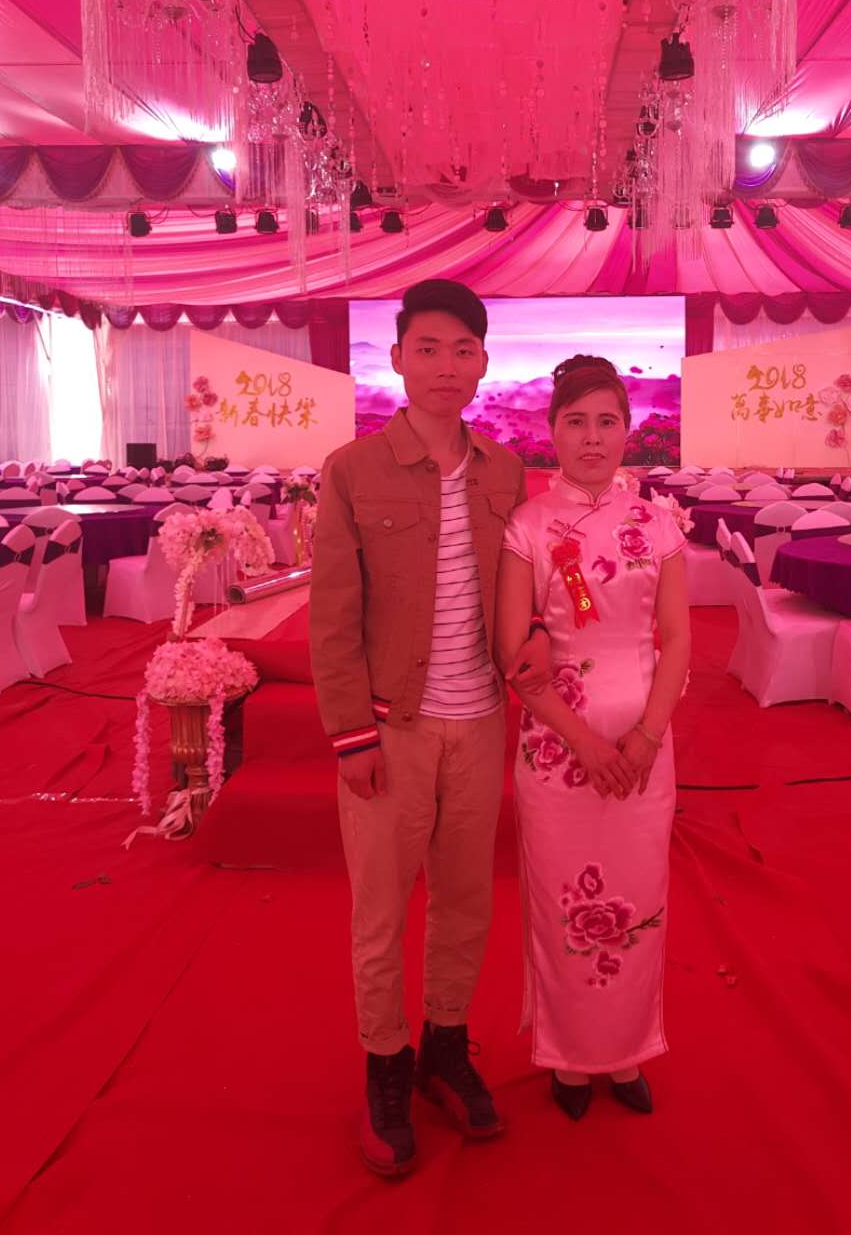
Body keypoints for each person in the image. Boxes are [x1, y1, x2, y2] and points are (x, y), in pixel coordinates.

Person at [310, 278, 550, 1177]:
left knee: (465, 901)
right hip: (393, 729)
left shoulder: (505, 472)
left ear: (482, 363)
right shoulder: (352, 470)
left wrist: (537, 634)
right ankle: (386, 1064)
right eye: (428, 348)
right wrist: (351, 736)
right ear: (398, 358)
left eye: (463, 350)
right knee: (379, 912)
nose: (446, 366)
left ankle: (446, 1047)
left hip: (480, 721)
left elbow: (522, 591)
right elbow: (332, 619)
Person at [495, 355, 690, 1119]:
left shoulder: (657, 522)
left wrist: (645, 737)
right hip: (557, 749)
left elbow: (677, 640)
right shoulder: (527, 526)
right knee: (562, 906)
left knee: (638, 900)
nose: (592, 437)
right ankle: (569, 1061)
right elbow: (517, 655)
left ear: (628, 431)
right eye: (576, 421)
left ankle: (629, 1049)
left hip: (644, 748)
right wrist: (584, 742)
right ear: (551, 430)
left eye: (607, 421)